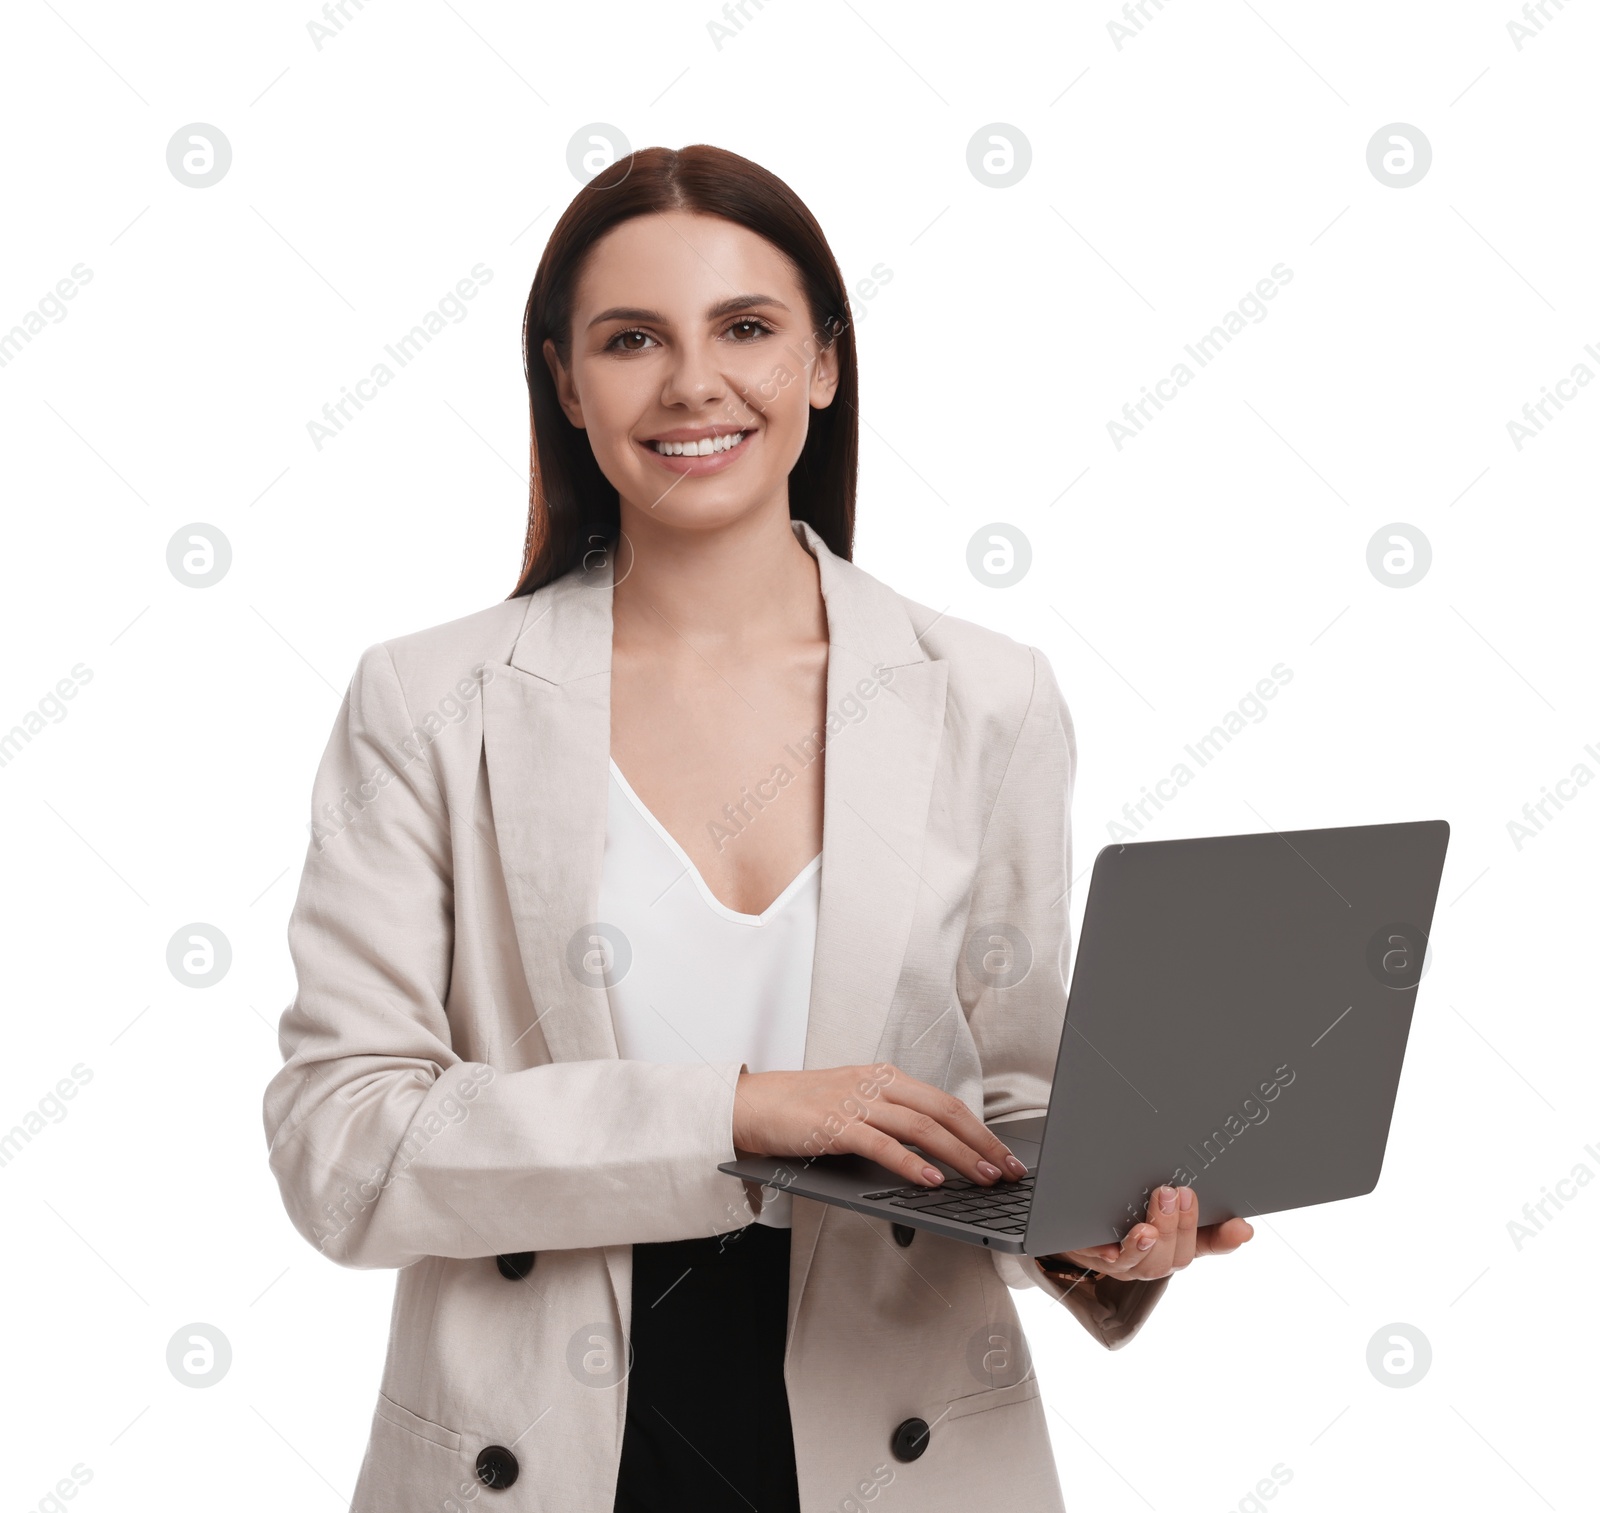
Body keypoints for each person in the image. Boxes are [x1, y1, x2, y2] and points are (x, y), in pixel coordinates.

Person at [263, 142, 1253, 1513]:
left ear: (825, 364)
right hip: (534, 1446)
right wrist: (740, 1115)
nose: (693, 382)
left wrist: (1104, 1233)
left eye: (746, 327)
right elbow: (343, 1142)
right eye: (630, 339)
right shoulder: (429, 703)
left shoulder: (990, 694)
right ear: (565, 380)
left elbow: (1012, 1106)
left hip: (899, 1437)